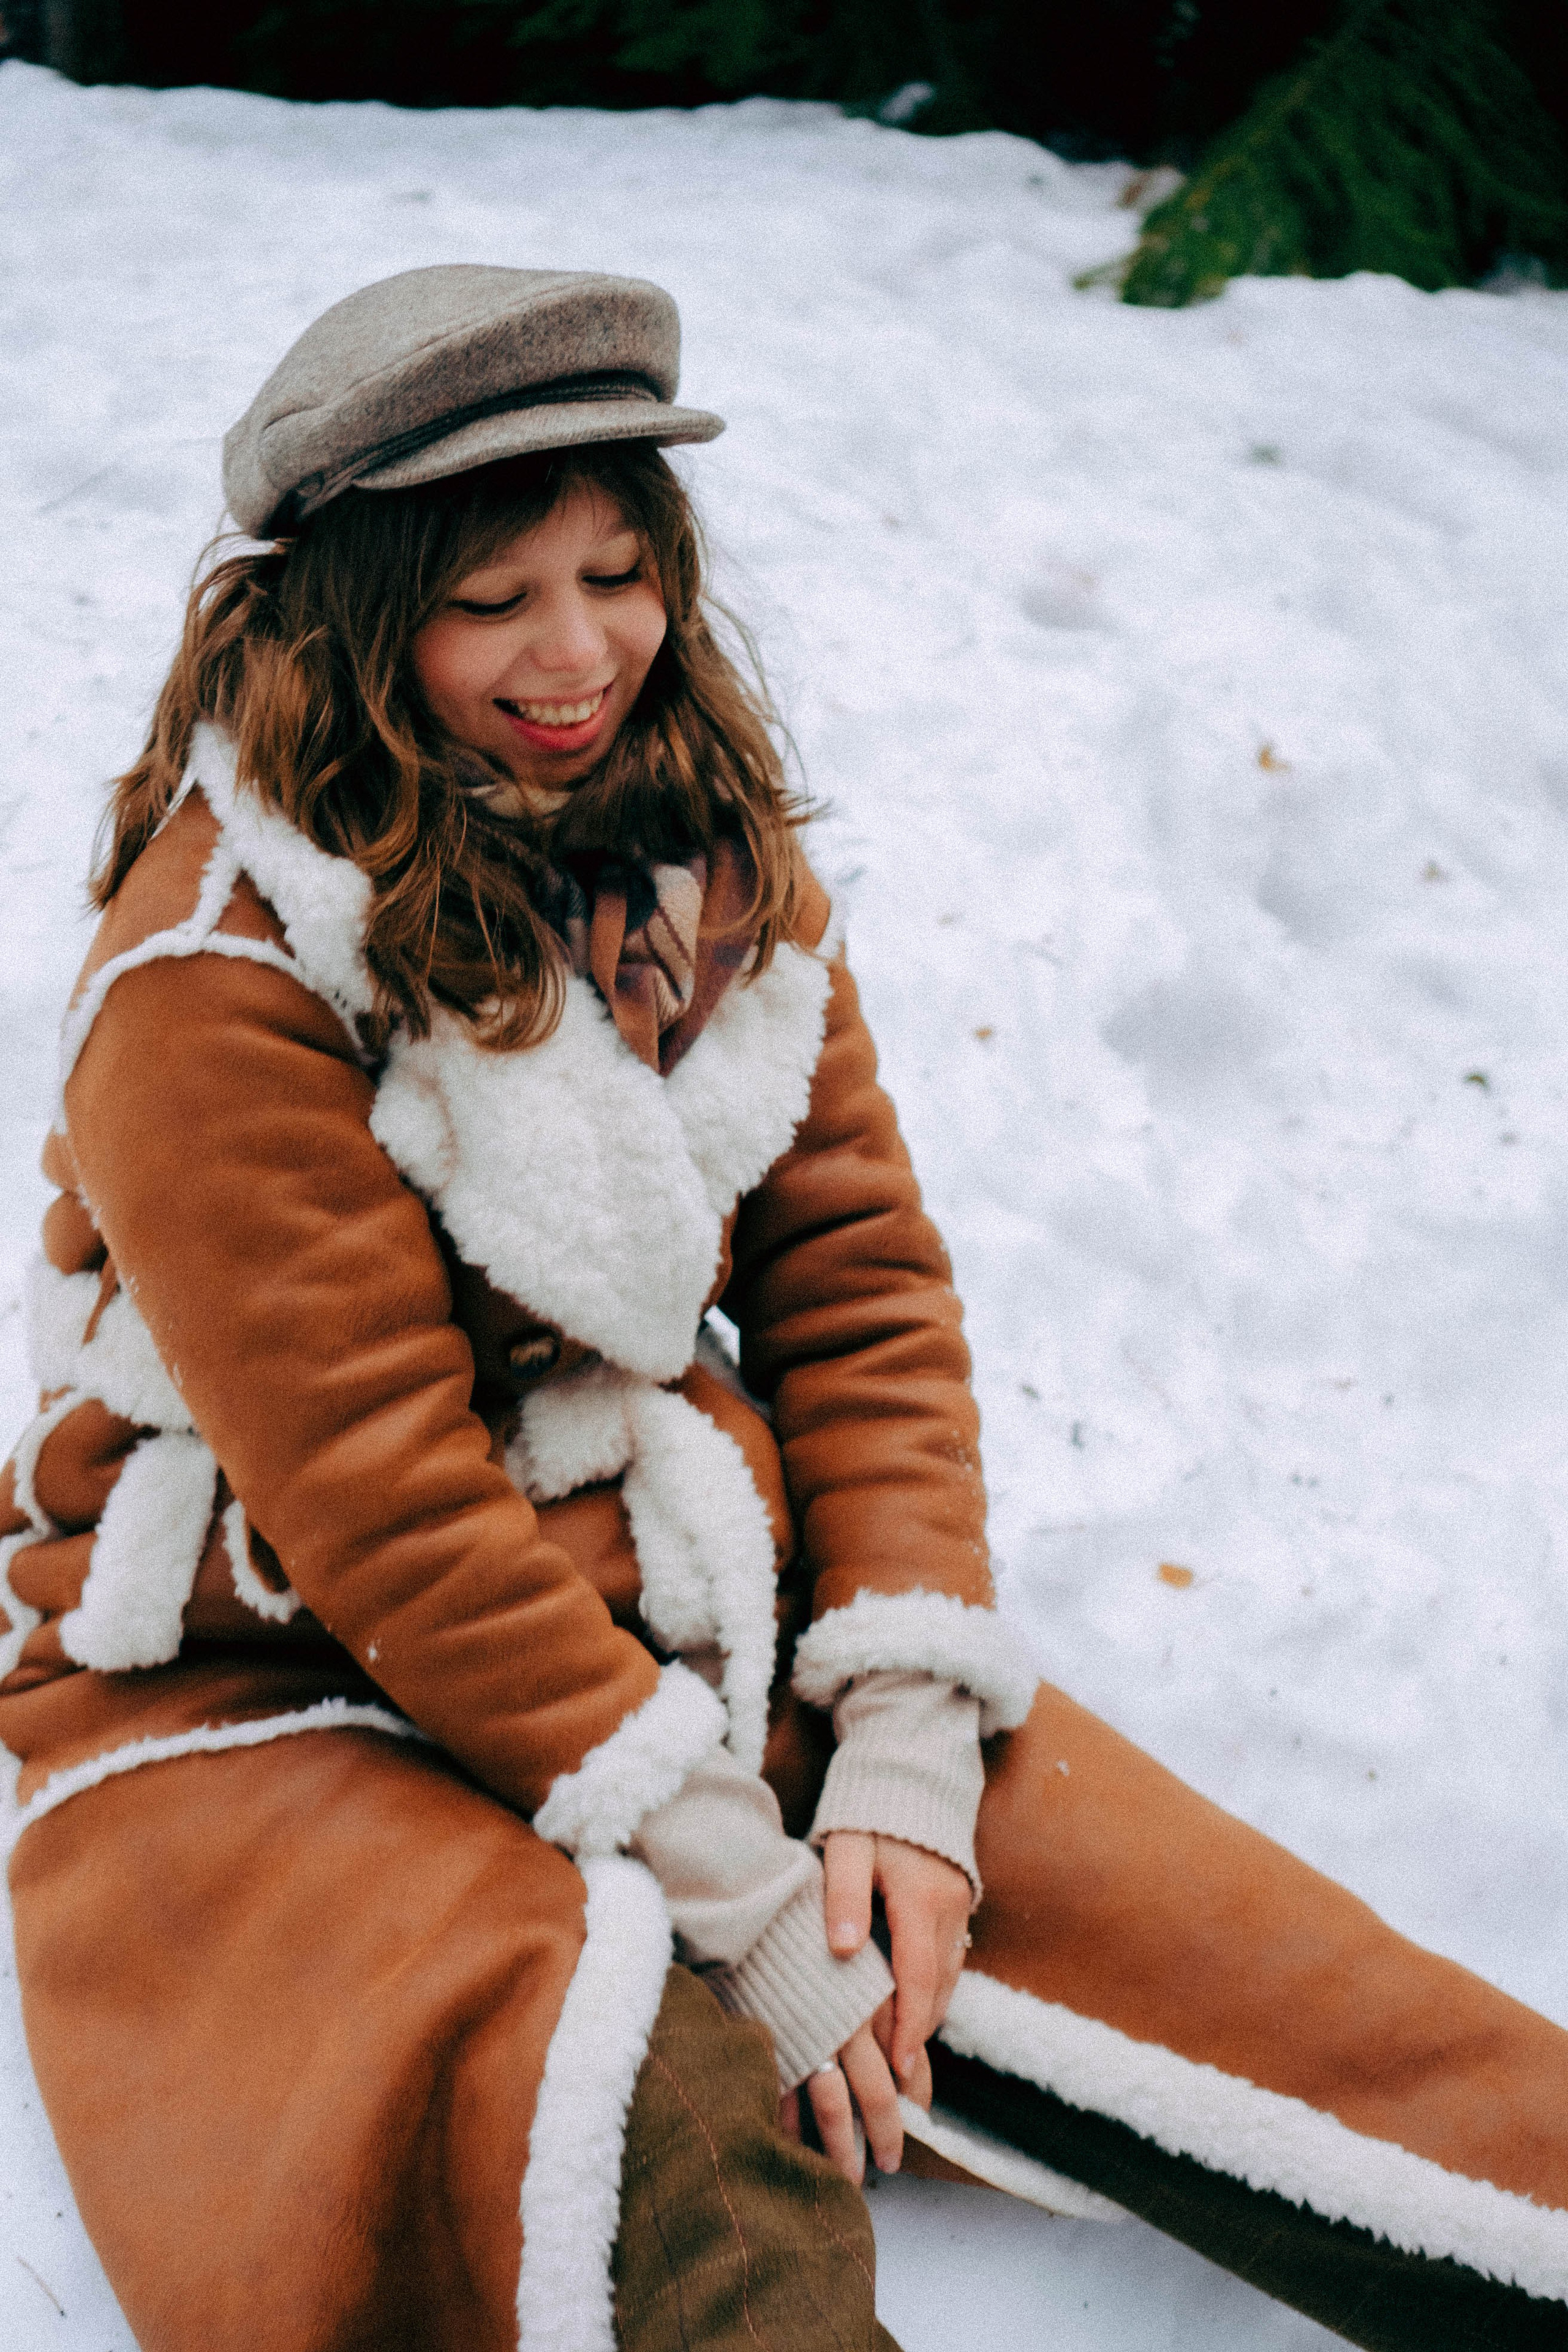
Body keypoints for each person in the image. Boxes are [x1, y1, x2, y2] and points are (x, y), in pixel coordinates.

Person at [2, 264, 1567, 2352]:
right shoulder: (213, 982)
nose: (578, 654)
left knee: (1298, 2015)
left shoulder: (701, 858)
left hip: (664, 1580)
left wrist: (905, 1726)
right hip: (285, 1650)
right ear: (350, 612)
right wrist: (739, 1884)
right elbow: (379, 1495)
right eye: (492, 602)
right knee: (620, 2125)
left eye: (618, 572)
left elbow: (854, 1282)